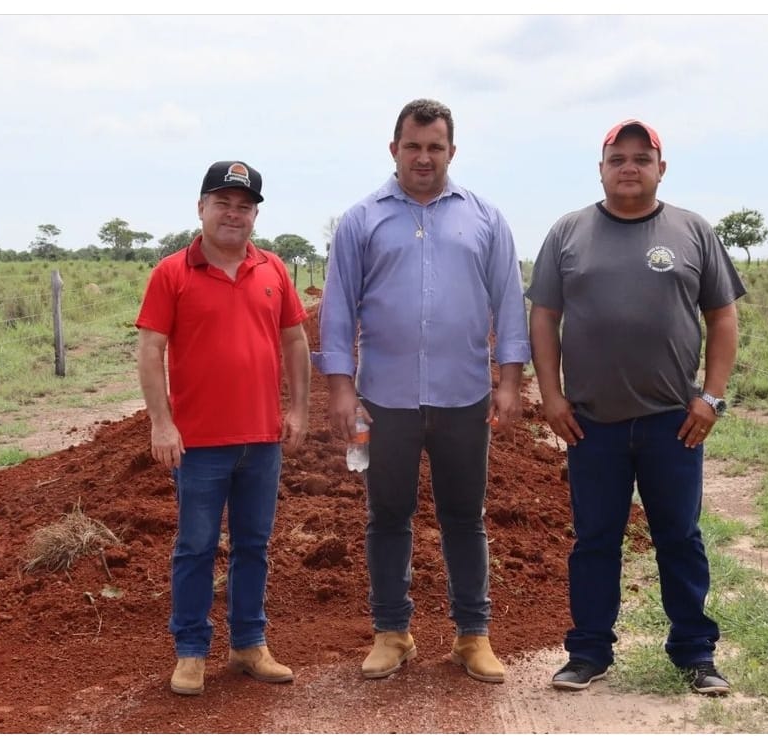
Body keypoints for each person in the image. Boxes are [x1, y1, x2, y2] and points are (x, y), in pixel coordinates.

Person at [313, 99, 531, 684]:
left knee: (465, 517)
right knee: (388, 515)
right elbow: (337, 309)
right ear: (394, 150)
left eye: (436, 147)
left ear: (451, 152)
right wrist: (339, 388)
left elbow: (511, 304)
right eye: (413, 146)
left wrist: (509, 381)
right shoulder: (362, 220)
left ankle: (472, 635)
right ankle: (392, 632)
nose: (424, 157)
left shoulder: (485, 219)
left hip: (464, 396)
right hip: (385, 399)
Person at [526, 119, 746, 696]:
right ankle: (589, 652)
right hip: (590, 422)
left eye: (641, 159)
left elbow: (722, 316)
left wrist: (711, 397)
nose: (629, 168)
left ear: (660, 169)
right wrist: (550, 396)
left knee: (679, 536)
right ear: (601, 168)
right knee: (595, 539)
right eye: (618, 158)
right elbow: (544, 316)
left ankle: (695, 653)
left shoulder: (692, 231)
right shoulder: (568, 233)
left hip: (673, 422)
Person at [135, 160, 310, 696]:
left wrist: (299, 410)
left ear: (254, 214)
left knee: (254, 545)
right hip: (199, 444)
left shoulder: (274, 270)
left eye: (244, 206)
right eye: (223, 203)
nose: (234, 214)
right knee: (195, 546)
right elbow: (150, 349)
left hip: (261, 439)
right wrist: (161, 424)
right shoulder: (172, 272)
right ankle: (190, 651)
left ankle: (249, 645)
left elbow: (296, 342)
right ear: (202, 207)